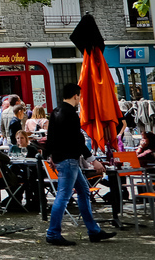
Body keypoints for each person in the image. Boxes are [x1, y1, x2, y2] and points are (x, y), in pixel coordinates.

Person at [44, 82, 115, 246]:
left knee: (83, 191)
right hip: (70, 160)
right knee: (63, 196)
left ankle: (94, 231)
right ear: (76, 96)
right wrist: (93, 160)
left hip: (62, 159)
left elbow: (51, 136)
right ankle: (53, 233)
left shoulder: (55, 112)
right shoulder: (71, 114)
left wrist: (49, 155)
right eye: (79, 96)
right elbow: (78, 140)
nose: (80, 99)